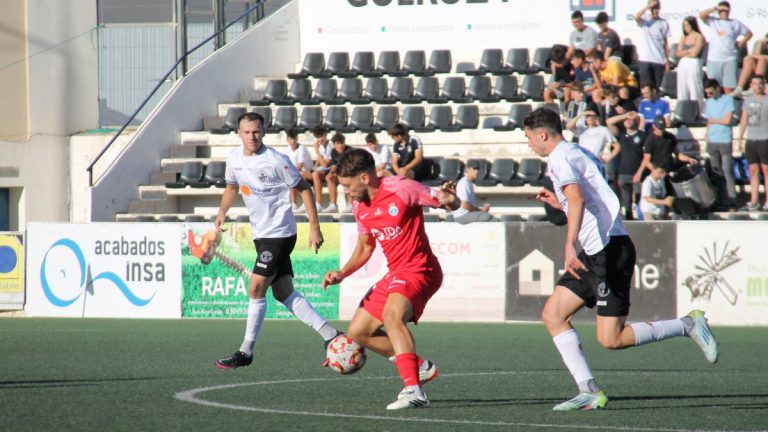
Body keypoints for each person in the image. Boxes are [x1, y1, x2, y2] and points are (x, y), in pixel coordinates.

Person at [524, 107, 719, 411]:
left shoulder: (560, 158)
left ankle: (688, 325)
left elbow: (578, 198)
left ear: (543, 135)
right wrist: (559, 204)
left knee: (611, 338)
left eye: (529, 138)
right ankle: (589, 390)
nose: (529, 144)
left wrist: (568, 245)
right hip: (596, 251)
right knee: (553, 315)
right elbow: (587, 200)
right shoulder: (577, 151)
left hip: (607, 251)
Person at [322, 148, 460, 410]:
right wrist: (342, 273)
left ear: (364, 178)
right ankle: (420, 368)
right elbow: (365, 247)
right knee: (358, 332)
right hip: (397, 272)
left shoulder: (401, 187)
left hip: (421, 269)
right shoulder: (359, 205)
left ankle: (414, 390)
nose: (346, 192)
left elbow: (443, 200)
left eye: (347, 185)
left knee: (392, 316)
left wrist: (451, 199)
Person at [213, 112, 340, 369]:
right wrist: (222, 212)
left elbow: (305, 189)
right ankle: (332, 336)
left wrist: (314, 227)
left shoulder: (276, 160)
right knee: (284, 293)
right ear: (239, 133)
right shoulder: (234, 159)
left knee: (256, 285)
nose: (252, 136)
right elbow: (231, 187)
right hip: (261, 234)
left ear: (264, 132)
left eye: (257, 131)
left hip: (280, 233)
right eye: (247, 132)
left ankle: (245, 351)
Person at [700, 1, 752, 94]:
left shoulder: (735, 23)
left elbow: (749, 33)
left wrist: (742, 42)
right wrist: (715, 8)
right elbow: (702, 15)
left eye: (726, 10)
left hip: (730, 59)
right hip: (714, 59)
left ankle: (729, 107)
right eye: (722, 10)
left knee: (729, 89)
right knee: (713, 88)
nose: (724, 12)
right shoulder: (713, 21)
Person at [703, 79, 737, 209]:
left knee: (727, 171)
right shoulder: (709, 102)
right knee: (716, 172)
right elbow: (709, 121)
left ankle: (732, 200)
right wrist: (707, 133)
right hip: (712, 139)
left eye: (711, 92)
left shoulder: (727, 100)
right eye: (707, 94)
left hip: (724, 139)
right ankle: (720, 200)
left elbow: (728, 120)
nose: (709, 95)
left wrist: (714, 121)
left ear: (717, 88)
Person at [607, 111, 646, 220]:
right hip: (623, 173)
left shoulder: (642, 135)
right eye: (626, 120)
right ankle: (629, 224)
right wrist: (625, 115)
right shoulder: (621, 135)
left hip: (637, 174)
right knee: (626, 201)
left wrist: (640, 172)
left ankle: (641, 222)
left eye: (630, 119)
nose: (627, 121)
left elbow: (646, 157)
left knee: (639, 199)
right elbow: (609, 122)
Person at [737, 75, 768, 211]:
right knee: (753, 171)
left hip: (764, 139)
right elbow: (744, 119)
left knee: (766, 171)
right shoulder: (747, 101)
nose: (758, 86)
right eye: (755, 84)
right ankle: (754, 201)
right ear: (751, 85)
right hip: (751, 140)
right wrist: (740, 137)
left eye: (760, 84)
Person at [641, 116, 699, 181]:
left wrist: (689, 159)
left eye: (663, 128)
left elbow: (678, 154)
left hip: (669, 171)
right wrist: (656, 171)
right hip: (657, 173)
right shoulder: (650, 140)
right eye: (659, 128)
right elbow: (646, 161)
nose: (661, 130)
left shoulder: (670, 137)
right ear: (654, 126)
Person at [634, 0, 670, 91]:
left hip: (659, 60)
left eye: (657, 8)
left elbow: (665, 43)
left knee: (657, 89)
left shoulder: (664, 23)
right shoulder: (645, 21)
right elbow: (636, 17)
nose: (655, 11)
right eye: (653, 9)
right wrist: (647, 7)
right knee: (646, 88)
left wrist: (667, 61)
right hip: (645, 60)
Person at [313, 132, 351, 213]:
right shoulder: (333, 151)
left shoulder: (349, 151)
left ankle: (350, 204)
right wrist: (331, 172)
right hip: (340, 173)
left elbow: (350, 168)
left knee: (345, 177)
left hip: (350, 174)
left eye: (342, 143)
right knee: (329, 177)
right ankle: (333, 205)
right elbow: (334, 165)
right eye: (338, 143)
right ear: (334, 145)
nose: (340, 146)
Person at [675, 16, 706, 108]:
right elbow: (677, 53)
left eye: (687, 25)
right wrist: (688, 51)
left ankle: (697, 110)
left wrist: (684, 52)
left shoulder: (699, 36)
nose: (685, 28)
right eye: (684, 26)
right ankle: (683, 109)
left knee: (694, 88)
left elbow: (695, 53)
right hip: (683, 64)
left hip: (694, 63)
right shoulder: (683, 37)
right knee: (682, 88)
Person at [281, 128, 314, 213]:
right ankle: (293, 204)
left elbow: (300, 165)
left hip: (309, 172)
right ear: (287, 139)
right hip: (298, 173)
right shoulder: (286, 150)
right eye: (291, 138)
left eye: (294, 138)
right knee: (291, 176)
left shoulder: (302, 148)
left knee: (293, 175)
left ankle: (304, 203)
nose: (293, 141)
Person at [454, 160, 494, 224]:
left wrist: (480, 210)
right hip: (461, 215)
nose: (477, 171)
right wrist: (481, 210)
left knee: (486, 218)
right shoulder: (464, 183)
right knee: (488, 217)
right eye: (474, 169)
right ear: (467, 170)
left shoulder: (469, 183)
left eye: (478, 169)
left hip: (466, 214)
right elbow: (464, 204)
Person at [311, 126, 334, 212]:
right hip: (324, 168)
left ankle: (318, 203)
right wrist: (315, 167)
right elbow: (319, 159)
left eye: (322, 136)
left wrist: (316, 150)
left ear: (326, 134)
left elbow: (325, 164)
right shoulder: (321, 146)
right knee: (303, 174)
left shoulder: (331, 145)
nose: (320, 139)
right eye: (318, 137)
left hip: (331, 168)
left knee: (316, 174)